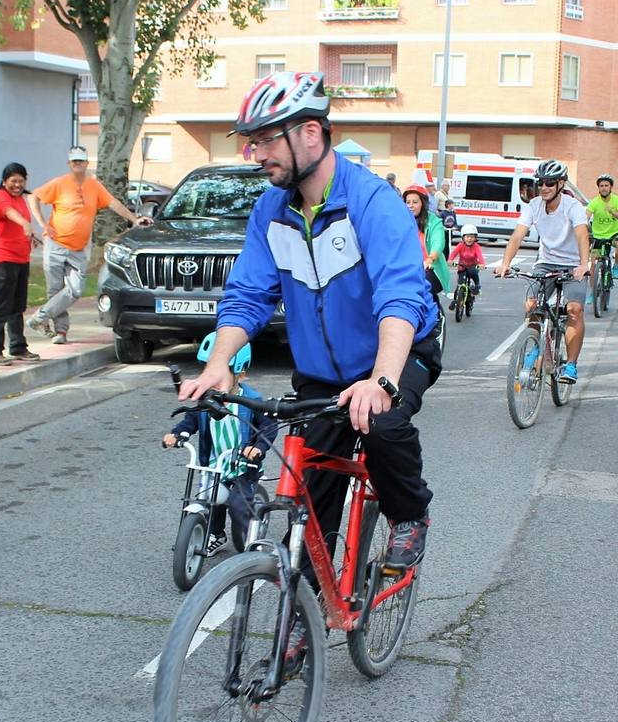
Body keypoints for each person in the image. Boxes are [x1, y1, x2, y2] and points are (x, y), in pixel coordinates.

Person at [179, 71, 441, 573]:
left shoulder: (372, 202)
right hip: (323, 371)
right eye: (251, 143)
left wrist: (380, 380)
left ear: (310, 133)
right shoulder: (270, 211)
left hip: (397, 353)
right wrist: (218, 365)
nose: (256, 155)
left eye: (264, 141)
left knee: (383, 425)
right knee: (309, 508)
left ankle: (410, 516)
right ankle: (302, 628)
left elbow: (400, 299)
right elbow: (248, 295)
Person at [163, 333, 277, 552]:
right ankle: (215, 534)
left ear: (240, 374)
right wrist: (177, 434)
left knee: (238, 507)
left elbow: (268, 427)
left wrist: (258, 448)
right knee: (208, 499)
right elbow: (191, 420)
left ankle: (250, 544)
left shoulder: (251, 401)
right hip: (216, 463)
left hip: (243, 465)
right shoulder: (206, 400)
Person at [25, 146, 151, 344]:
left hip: (79, 247)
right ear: (69, 163)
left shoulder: (94, 185)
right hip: (56, 245)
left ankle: (39, 317)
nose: (77, 164)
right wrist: (42, 224)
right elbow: (33, 197)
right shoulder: (59, 183)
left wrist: (134, 218)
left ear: (86, 163)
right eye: (74, 161)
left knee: (75, 290)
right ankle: (61, 332)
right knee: (55, 291)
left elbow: (113, 203)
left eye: (81, 161)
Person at [496, 158, 590, 384]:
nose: (544, 187)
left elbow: (581, 234)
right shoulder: (534, 205)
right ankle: (537, 343)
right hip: (546, 262)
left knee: (574, 309)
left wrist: (584, 264)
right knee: (532, 306)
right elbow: (518, 235)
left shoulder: (573, 207)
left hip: (572, 263)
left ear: (561, 184)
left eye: (549, 183)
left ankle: (571, 365)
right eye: (541, 183)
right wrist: (505, 262)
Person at [0, 162, 42, 366]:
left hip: (20, 259)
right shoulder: (1, 196)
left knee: (17, 306)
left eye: (21, 180)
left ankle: (17, 347)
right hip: (3, 260)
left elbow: (16, 221)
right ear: (4, 181)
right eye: (13, 181)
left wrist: (29, 236)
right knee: (1, 306)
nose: (17, 184)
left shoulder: (22, 199)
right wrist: (25, 224)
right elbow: (9, 213)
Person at [404, 183, 450, 312]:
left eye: (415, 202)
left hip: (431, 268)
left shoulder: (434, 221)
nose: (411, 206)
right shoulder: (401, 222)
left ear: (423, 203)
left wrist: (430, 259)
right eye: (408, 202)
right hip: (407, 268)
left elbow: (438, 242)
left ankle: (436, 318)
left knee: (424, 287)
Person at [586, 174, 618, 279]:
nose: (604, 188)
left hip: (613, 234)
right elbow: (585, 217)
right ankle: (592, 293)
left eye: (606, 185)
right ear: (598, 188)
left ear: (611, 187)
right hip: (598, 236)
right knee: (593, 265)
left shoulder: (617, 200)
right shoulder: (594, 202)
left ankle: (616, 266)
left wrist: (612, 212)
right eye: (601, 186)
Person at [450, 223, 484, 312]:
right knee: (459, 285)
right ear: (463, 237)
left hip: (472, 266)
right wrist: (450, 260)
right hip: (462, 266)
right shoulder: (460, 245)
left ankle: (477, 285)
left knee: (473, 273)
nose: (469, 239)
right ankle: (455, 300)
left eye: (472, 237)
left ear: (475, 238)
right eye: (467, 237)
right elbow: (453, 254)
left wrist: (481, 264)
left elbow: (480, 256)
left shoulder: (476, 247)